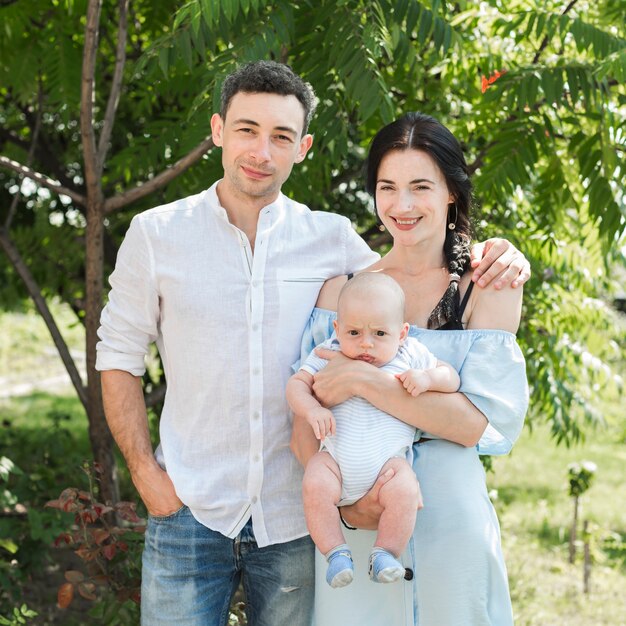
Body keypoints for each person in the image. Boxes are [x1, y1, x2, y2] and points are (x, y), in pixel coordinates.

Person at [96, 59, 529, 626]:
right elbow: (118, 354)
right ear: (218, 130)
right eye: (247, 130)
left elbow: (421, 271)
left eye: (280, 136)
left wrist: (500, 250)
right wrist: (148, 480)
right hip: (201, 509)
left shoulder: (335, 245)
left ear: (303, 148)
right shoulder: (160, 236)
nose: (261, 151)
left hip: (301, 523)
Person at [291, 112, 529, 625]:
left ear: (451, 194)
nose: (401, 205)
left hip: (450, 521)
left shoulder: (486, 284)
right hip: (353, 530)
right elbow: (303, 428)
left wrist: (363, 381)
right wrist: (349, 510)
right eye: (387, 187)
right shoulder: (342, 293)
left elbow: (479, 424)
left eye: (420, 186)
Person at [287, 272, 460, 589]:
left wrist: (427, 380)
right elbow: (297, 385)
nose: (366, 343)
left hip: (388, 467)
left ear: (402, 333)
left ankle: (385, 553)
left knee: (406, 490)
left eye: (380, 333)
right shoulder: (328, 352)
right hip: (335, 463)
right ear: (337, 329)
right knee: (314, 481)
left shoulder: (411, 354)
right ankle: (335, 552)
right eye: (354, 332)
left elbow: (450, 376)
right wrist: (312, 408)